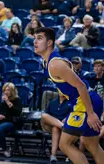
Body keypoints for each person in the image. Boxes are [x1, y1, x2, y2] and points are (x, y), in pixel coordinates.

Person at [34, 27, 104, 164]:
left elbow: (81, 86)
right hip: (88, 99)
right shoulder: (47, 61)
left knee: (65, 144)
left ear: (49, 43)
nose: (35, 41)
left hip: (84, 101)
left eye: (39, 38)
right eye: (35, 38)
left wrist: (90, 113)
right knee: (92, 145)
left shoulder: (55, 64)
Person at [41, 94, 71, 163]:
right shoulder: (53, 102)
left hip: (62, 127)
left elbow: (73, 114)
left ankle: (53, 155)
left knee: (55, 128)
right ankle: (63, 127)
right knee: (44, 115)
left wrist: (67, 118)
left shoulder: (71, 102)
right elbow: (47, 116)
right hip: (50, 127)